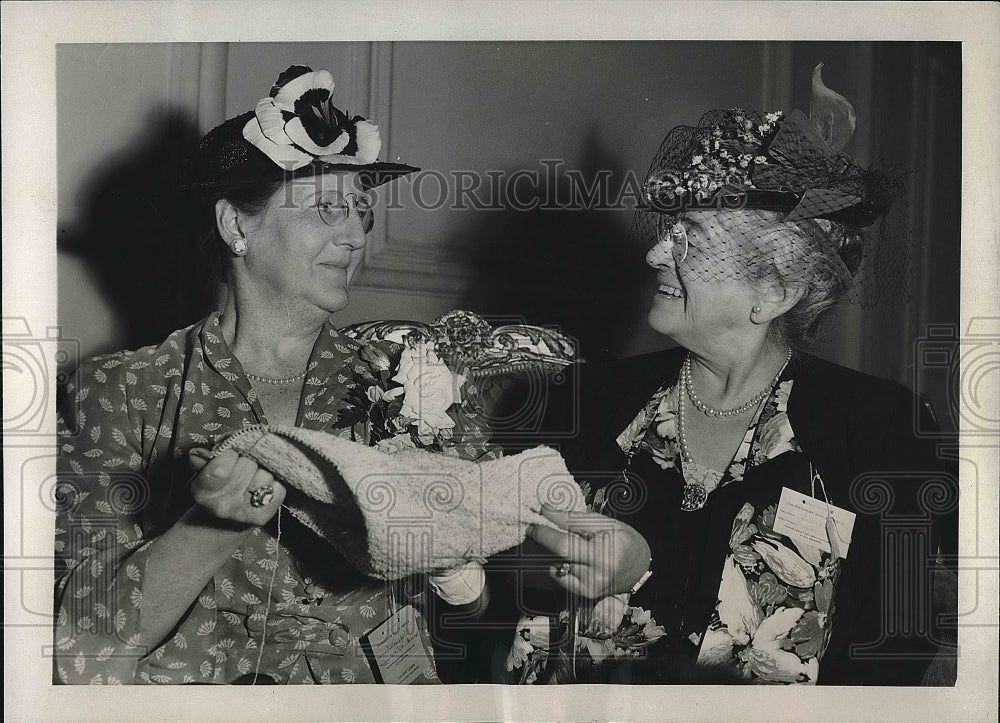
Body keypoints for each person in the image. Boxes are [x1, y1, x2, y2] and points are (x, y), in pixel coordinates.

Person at [473, 66, 953, 685]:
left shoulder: (883, 429)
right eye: (666, 229)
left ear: (775, 290)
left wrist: (645, 566)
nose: (652, 253)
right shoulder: (589, 397)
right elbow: (505, 580)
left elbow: (894, 656)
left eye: (690, 237)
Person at [52, 64, 496, 685]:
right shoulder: (117, 394)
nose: (354, 236)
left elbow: (475, 613)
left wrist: (454, 568)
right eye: (324, 210)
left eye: (360, 213)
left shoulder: (411, 386)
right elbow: (82, 644)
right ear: (237, 225)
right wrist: (211, 525)